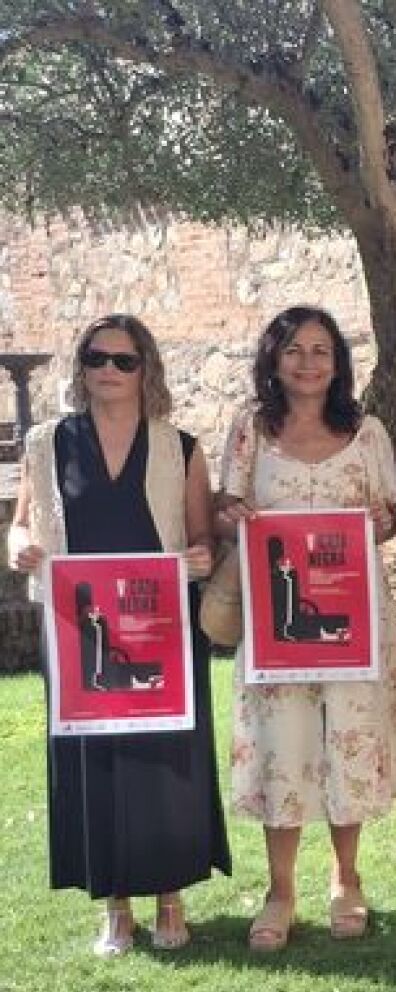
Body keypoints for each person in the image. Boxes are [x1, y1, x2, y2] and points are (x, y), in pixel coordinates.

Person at [8, 314, 230, 955]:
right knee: (96, 761)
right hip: (78, 631)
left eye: (123, 360)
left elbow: (202, 539)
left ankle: (170, 898)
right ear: (81, 367)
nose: (108, 370)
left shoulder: (179, 447)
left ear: (145, 369)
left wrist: (200, 558)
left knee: (167, 762)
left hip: (161, 628)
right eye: (96, 358)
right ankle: (115, 907)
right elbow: (21, 525)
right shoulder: (46, 444)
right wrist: (17, 546)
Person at [215, 306, 396, 951]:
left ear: (337, 364)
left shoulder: (368, 433)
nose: (307, 362)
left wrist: (378, 522)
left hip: (351, 619)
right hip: (278, 622)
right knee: (284, 742)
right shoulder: (250, 429)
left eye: (321, 351)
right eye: (294, 350)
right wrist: (233, 518)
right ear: (273, 360)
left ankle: (346, 878)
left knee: (348, 743)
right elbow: (224, 509)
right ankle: (280, 890)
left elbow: (389, 518)